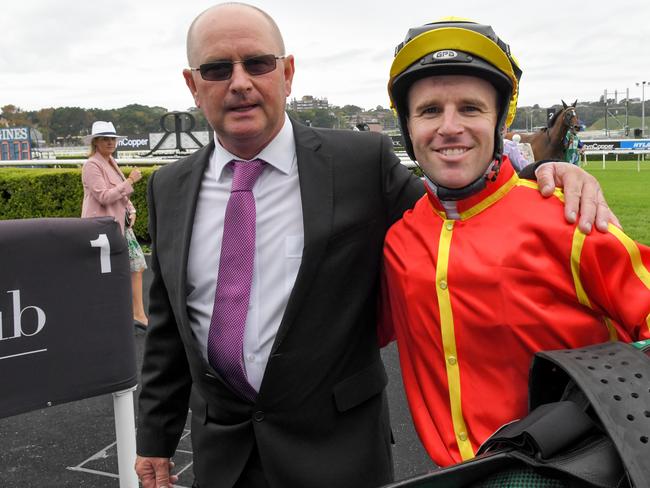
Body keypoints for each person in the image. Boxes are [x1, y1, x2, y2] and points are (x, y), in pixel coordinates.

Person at [135, 4, 617, 488]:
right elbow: (169, 329)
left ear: (287, 73)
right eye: (217, 69)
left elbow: (457, 203)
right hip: (225, 456)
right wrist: (155, 436)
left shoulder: (359, 163)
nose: (239, 82)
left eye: (257, 63)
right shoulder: (168, 187)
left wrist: (541, 177)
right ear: (193, 86)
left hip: (337, 454)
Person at [379, 18, 650, 470]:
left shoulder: (572, 220)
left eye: (470, 108)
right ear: (407, 125)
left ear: (499, 119)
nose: (449, 127)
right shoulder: (398, 241)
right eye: (429, 111)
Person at [81, 121, 149, 329]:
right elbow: (104, 196)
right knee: (107, 273)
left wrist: (132, 209)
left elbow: (119, 195)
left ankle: (137, 314)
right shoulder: (92, 165)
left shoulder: (110, 161)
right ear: (96, 142)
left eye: (113, 139)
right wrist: (130, 181)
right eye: (105, 139)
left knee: (136, 267)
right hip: (101, 229)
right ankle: (107, 316)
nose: (111, 142)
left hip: (118, 227)